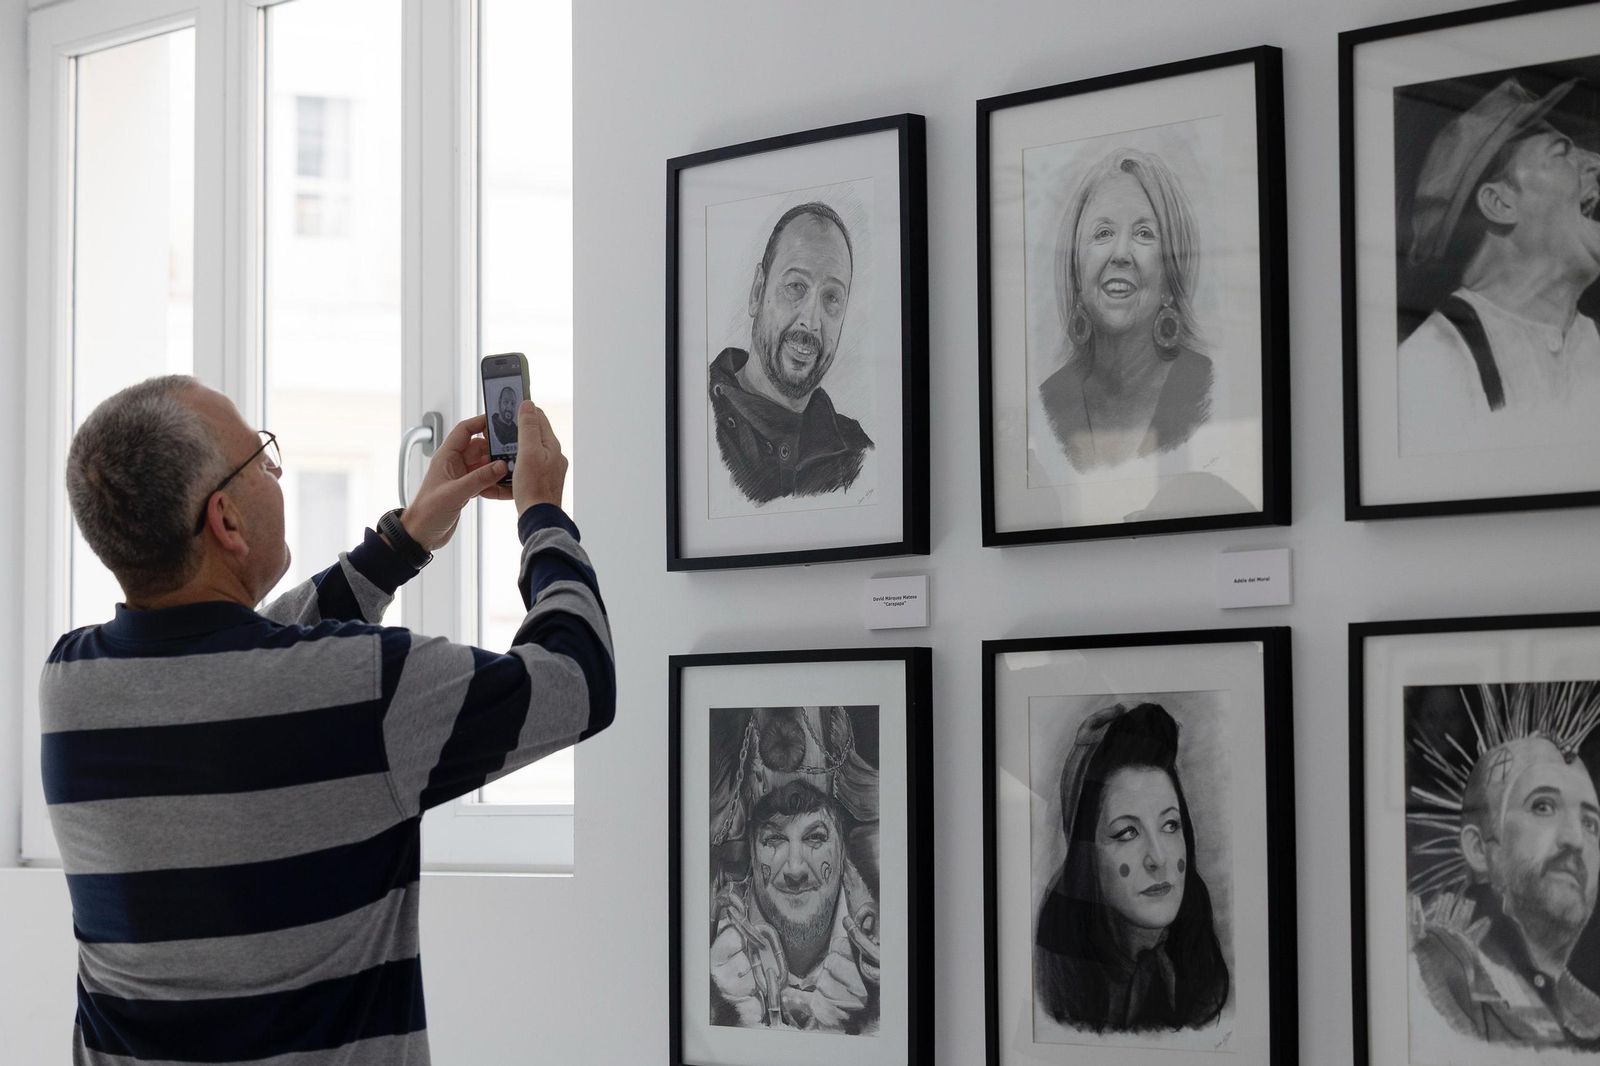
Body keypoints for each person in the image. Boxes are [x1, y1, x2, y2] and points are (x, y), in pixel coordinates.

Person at [43, 375, 613, 1065]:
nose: (275, 471)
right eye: (261, 456)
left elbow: (248, 659)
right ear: (225, 520)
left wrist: (403, 540)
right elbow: (577, 680)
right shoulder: (362, 689)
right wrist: (542, 514)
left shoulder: (71, 685)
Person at [1398, 77, 1600, 454]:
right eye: (1562, 153)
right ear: (1500, 203)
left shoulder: (1593, 341)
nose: (1597, 164)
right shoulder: (1431, 364)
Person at [1034, 702, 1229, 1034]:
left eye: (1170, 826)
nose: (1158, 858)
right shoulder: (1060, 982)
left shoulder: (1198, 966)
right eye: (1127, 832)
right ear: (1087, 854)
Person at [1411, 734, 1600, 1047]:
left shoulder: (1590, 1020)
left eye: (1591, 823)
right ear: (1479, 849)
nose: (1576, 839)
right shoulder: (1431, 979)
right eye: (1543, 806)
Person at [707, 706, 881, 1034]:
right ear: (752, 852)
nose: (795, 868)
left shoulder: (886, 956)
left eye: (816, 837)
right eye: (773, 839)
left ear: (842, 846)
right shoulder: (709, 947)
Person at [1037, 148, 1213, 472]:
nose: (1120, 253)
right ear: (1076, 269)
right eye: (1103, 233)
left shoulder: (1210, 389)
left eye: (1144, 233)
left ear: (1171, 269)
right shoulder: (1046, 403)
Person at [709, 202, 873, 504]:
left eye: (831, 297)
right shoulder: (702, 419)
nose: (811, 322)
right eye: (796, 286)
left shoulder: (858, 454)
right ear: (758, 291)